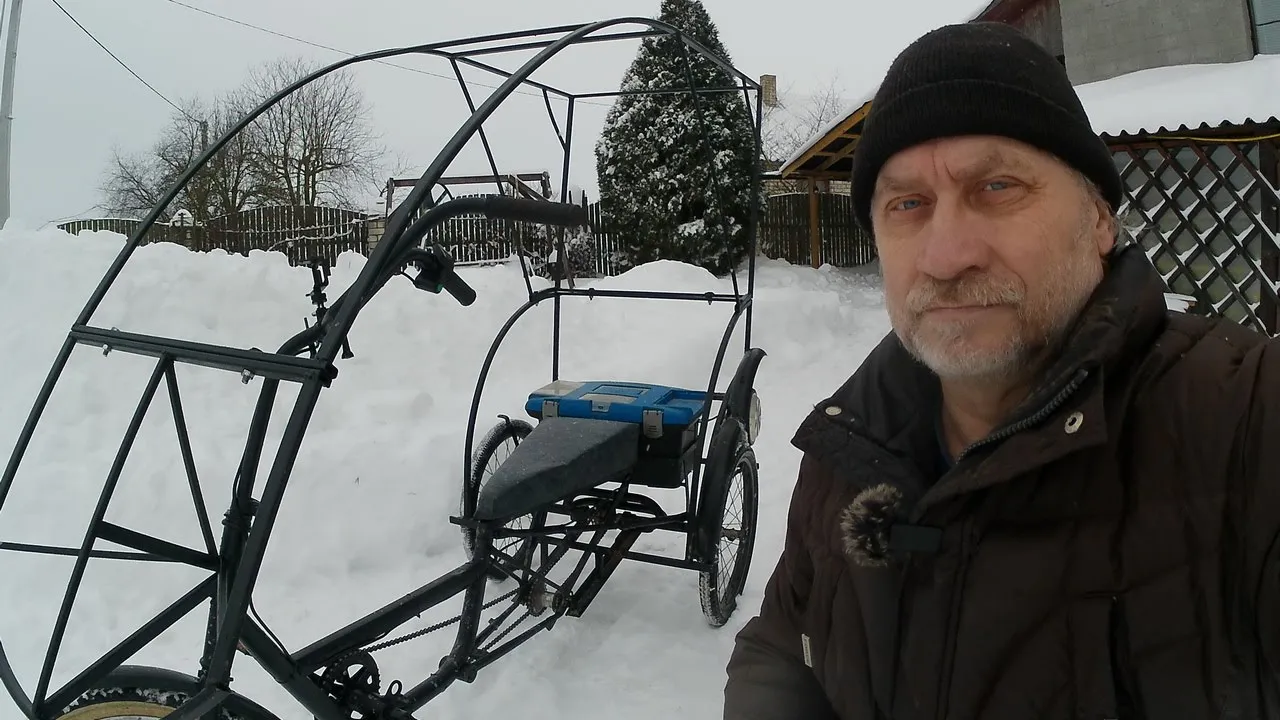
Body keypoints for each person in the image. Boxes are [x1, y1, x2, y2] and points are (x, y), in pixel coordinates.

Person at [722, 21, 1280, 720]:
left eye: (996, 186)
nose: (946, 255)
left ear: (1100, 220)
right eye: (907, 204)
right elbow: (783, 643)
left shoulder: (1248, 426)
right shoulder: (848, 449)